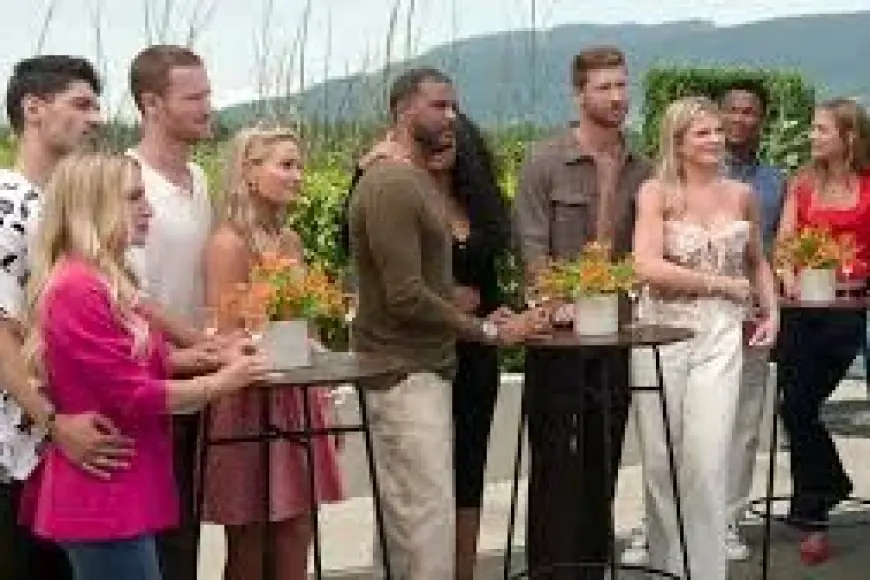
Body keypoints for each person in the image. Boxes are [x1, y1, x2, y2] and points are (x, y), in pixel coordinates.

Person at [18, 152, 266, 580]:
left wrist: (206, 357)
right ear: (94, 205)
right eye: (134, 198)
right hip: (104, 494)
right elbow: (134, 393)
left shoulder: (103, 279)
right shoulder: (79, 288)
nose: (148, 209)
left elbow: (128, 362)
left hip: (119, 484)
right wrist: (225, 381)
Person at [347, 67, 537, 579]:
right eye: (439, 106)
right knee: (424, 530)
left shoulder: (406, 180)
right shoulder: (391, 183)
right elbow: (405, 296)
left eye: (454, 106)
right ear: (404, 110)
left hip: (426, 368)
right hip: (404, 372)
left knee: (415, 526)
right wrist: (487, 331)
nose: (451, 116)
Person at [512, 45, 650, 579]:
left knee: (604, 458)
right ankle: (552, 572)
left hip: (617, 335)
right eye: (604, 87)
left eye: (622, 85)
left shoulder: (642, 168)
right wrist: (554, 305)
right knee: (556, 464)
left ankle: (593, 568)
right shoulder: (544, 159)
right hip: (558, 339)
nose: (617, 97)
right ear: (579, 94)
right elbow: (531, 246)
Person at [0, 55, 135, 580]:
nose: (95, 118)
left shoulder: (66, 206)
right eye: (81, 104)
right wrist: (54, 423)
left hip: (70, 444)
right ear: (33, 109)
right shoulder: (8, 205)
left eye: (97, 106)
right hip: (20, 450)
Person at [632, 96, 778, 580]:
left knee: (709, 457)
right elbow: (645, 265)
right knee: (662, 459)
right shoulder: (656, 193)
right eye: (703, 132)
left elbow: (757, 261)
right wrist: (719, 284)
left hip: (721, 334)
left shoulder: (741, 194)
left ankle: (706, 571)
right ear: (677, 142)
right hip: (662, 330)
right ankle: (668, 566)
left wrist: (772, 312)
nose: (716, 139)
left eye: (717, 131)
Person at [201, 127, 344, 579]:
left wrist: (325, 397)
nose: (298, 175)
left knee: (297, 528)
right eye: (286, 165)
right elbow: (226, 335)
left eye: (299, 165)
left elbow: (307, 326)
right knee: (249, 536)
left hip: (296, 396)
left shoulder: (291, 241)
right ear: (249, 172)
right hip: (247, 399)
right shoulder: (228, 243)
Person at [126, 44, 214, 580]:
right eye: (193, 97)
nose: (207, 107)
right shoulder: (127, 180)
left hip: (193, 376)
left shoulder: (199, 178)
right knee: (156, 536)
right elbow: (131, 293)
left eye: (208, 94)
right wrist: (199, 344)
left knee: (185, 532)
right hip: (149, 380)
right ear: (152, 104)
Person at [775, 98, 870, 564]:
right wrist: (789, 278)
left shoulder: (868, 188)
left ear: (848, 137)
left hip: (847, 312)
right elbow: (784, 246)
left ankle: (823, 493)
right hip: (800, 312)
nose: (812, 136)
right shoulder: (802, 185)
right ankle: (815, 515)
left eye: (821, 129)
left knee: (800, 407)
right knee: (796, 409)